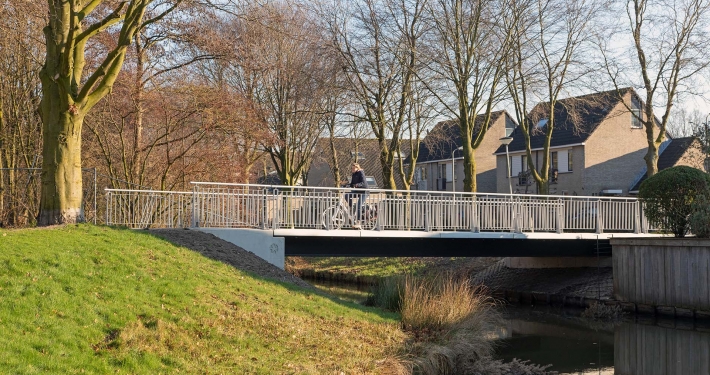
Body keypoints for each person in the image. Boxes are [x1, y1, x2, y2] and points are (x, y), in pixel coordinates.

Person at [341, 163, 368, 229]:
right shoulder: (354, 174)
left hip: (364, 192)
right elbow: (352, 184)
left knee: (359, 205)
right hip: (358, 191)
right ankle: (351, 208)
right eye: (352, 168)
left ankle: (358, 222)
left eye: (353, 168)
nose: (352, 169)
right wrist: (345, 185)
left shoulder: (361, 172)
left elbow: (363, 183)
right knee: (346, 195)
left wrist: (356, 185)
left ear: (357, 168)